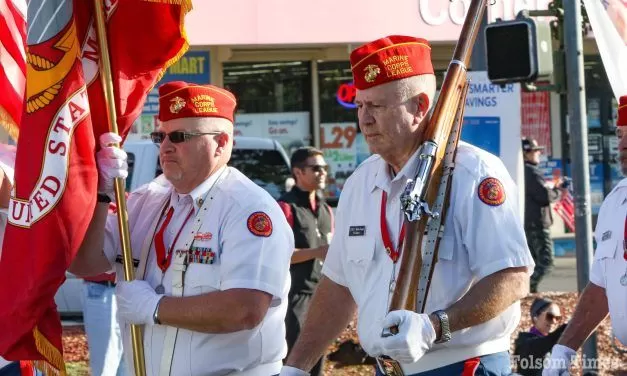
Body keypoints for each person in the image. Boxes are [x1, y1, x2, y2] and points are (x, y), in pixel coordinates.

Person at [280, 35, 534, 376]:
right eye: (360, 105)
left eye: (377, 106)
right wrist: (296, 367)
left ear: (419, 107)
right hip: (388, 369)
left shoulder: (472, 173)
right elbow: (339, 287)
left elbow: (512, 278)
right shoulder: (361, 183)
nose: (364, 119)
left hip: (461, 366)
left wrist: (435, 326)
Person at [68, 81, 294, 376]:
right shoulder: (145, 201)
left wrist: (155, 307)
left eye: (180, 136)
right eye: (159, 136)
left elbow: (246, 308)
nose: (165, 146)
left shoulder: (247, 208)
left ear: (222, 142)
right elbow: (84, 263)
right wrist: (99, 195)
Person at [543, 95, 627, 375]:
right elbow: (600, 286)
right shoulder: (614, 203)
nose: (623, 144)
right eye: (619, 135)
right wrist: (563, 349)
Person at [277, 147, 333, 376]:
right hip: (294, 297)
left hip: (321, 295)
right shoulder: (285, 207)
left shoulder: (326, 210)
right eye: (315, 168)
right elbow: (279, 256)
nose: (322, 173)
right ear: (298, 172)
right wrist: (318, 251)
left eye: (324, 168)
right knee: (294, 362)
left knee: (317, 360)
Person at [522, 138, 566, 293]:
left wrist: (554, 189)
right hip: (537, 224)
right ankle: (526, 289)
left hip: (531, 222)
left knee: (533, 262)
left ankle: (527, 291)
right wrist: (559, 191)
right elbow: (544, 195)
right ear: (526, 153)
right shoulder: (530, 171)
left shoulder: (526, 171)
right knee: (546, 262)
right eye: (535, 151)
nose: (539, 153)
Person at [513, 297, 567, 376]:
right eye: (550, 316)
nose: (554, 321)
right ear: (535, 317)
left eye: (557, 318)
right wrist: (566, 328)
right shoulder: (523, 343)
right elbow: (538, 346)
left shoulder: (553, 345)